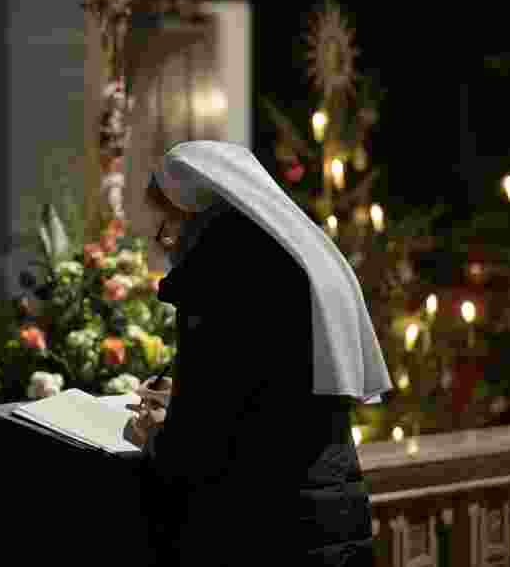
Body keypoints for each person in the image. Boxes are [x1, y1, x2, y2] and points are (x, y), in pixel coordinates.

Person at [124, 140, 393, 565]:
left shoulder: (221, 272)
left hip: (267, 529)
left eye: (166, 227)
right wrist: (189, 394)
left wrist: (153, 433)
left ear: (187, 210)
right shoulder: (293, 257)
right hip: (331, 517)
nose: (168, 244)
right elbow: (271, 392)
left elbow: (198, 447)